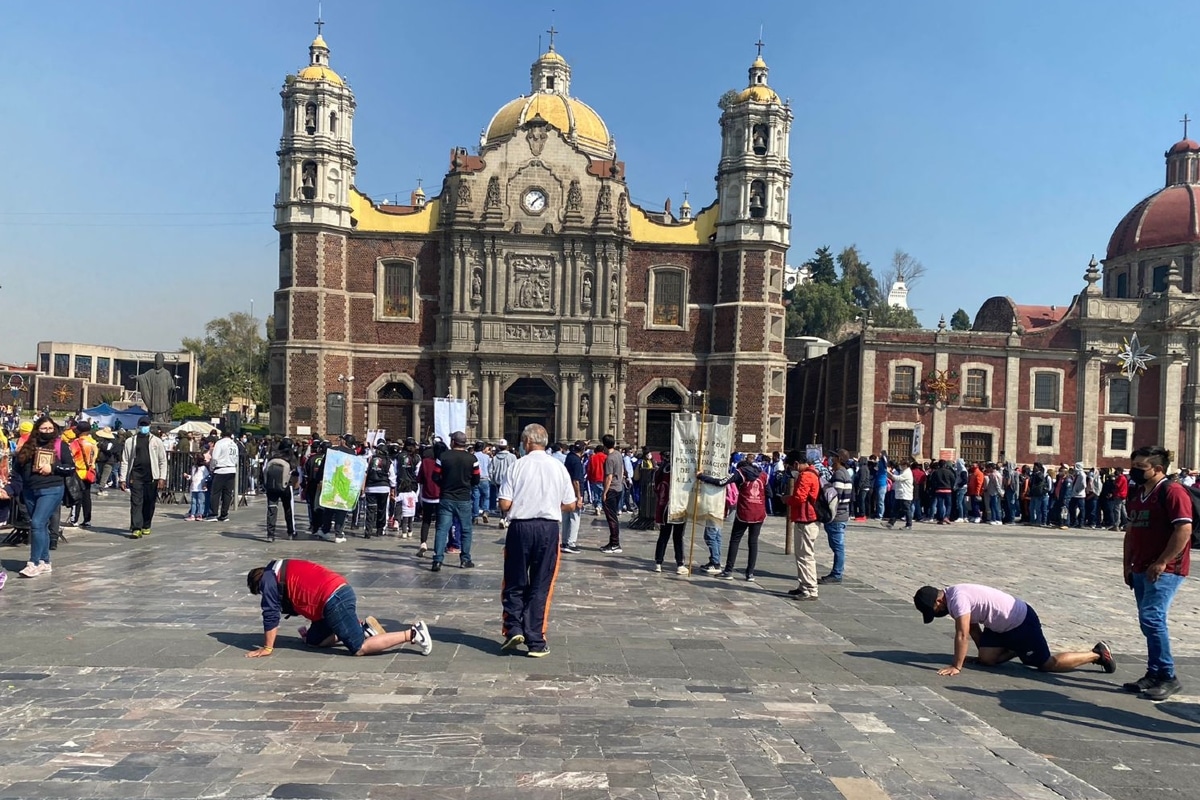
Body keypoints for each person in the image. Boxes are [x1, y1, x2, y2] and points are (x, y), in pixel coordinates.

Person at [913, 583, 1116, 677]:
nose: (939, 613)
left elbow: (962, 634)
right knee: (987, 659)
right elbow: (973, 629)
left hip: (1021, 622)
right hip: (999, 626)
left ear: (939, 600)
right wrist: (983, 650)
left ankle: (1096, 654)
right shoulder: (953, 596)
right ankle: (1016, 648)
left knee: (1046, 665)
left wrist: (957, 666)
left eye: (936, 610)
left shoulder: (957, 599)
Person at [245, 559, 432, 658]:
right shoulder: (279, 569)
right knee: (313, 641)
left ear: (257, 583)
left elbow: (270, 614)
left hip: (333, 600)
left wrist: (268, 647)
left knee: (359, 648)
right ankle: (361, 628)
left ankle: (413, 634)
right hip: (337, 592)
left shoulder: (268, 581)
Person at [498, 424, 577, 658]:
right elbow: (571, 504)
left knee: (514, 580)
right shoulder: (558, 467)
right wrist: (551, 505)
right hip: (548, 529)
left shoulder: (517, 466)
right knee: (542, 584)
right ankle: (535, 640)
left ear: (527, 442)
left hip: (520, 528)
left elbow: (504, 504)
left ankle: (513, 627)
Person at [1122, 445, 1192, 700]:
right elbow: (1130, 531)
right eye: (1135, 466)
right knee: (1146, 621)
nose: (1135, 471)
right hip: (1140, 567)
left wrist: (1163, 561)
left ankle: (1168, 676)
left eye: (1141, 467)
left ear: (1158, 469)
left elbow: (1183, 530)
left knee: (1152, 618)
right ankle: (1153, 672)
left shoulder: (1172, 492)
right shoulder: (1137, 492)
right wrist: (1127, 564)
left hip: (1165, 569)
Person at [13, 416, 76, 577]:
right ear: (37, 430)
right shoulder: (28, 446)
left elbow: (70, 468)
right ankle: (45, 561)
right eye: (43, 429)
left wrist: (53, 467)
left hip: (51, 489)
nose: (47, 431)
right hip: (30, 490)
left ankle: (33, 562)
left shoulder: (60, 445)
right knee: (41, 526)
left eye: (50, 429)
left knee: (37, 523)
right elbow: (17, 468)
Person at [698, 456, 769, 581]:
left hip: (745, 511)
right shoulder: (763, 475)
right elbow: (770, 493)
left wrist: (702, 477)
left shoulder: (740, 473)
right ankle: (750, 574)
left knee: (735, 540)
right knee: (753, 543)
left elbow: (721, 482)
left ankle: (728, 571)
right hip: (759, 513)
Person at [431, 431, 480, 571]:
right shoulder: (472, 459)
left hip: (446, 497)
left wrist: (444, 485)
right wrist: (466, 485)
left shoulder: (443, 456)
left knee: (441, 529)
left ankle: (437, 560)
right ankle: (465, 559)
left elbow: (435, 476)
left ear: (453, 442)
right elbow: (476, 479)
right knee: (466, 530)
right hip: (464, 498)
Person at [119, 415, 168, 539]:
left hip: (152, 476)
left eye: (146, 425)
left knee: (149, 502)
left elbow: (163, 461)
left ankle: (146, 524)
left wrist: (162, 477)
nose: (144, 427)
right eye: (142, 425)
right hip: (136, 475)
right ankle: (136, 527)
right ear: (138, 426)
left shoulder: (156, 441)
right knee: (136, 502)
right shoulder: (130, 441)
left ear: (149, 426)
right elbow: (125, 460)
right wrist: (122, 478)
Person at [785, 451, 821, 601]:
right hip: (805, 518)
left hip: (806, 519)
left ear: (796, 464)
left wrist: (787, 499)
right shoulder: (813, 473)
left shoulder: (806, 476)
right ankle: (803, 586)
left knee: (805, 556)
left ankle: (810, 589)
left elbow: (800, 497)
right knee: (801, 555)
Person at [820, 449, 853, 584]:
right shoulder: (844, 473)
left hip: (837, 515)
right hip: (843, 513)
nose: (831, 459)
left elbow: (834, 496)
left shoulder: (839, 474)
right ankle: (836, 572)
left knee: (838, 546)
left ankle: (837, 573)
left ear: (839, 459)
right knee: (837, 545)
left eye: (833, 457)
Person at [262, 438, 301, 542]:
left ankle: (270, 534)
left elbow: (264, 469)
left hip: (271, 486)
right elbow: (295, 472)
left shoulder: (273, 455)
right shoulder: (291, 456)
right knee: (288, 509)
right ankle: (290, 532)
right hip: (285, 486)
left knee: (272, 509)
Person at [598, 434, 626, 554]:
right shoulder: (618, 455)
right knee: (613, 516)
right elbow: (622, 470)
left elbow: (608, 477)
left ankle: (615, 543)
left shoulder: (609, 459)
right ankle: (613, 542)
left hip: (612, 490)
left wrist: (604, 492)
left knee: (611, 518)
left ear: (604, 445)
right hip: (619, 487)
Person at [415, 441, 444, 555]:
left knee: (426, 520)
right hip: (440, 495)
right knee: (440, 522)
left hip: (427, 495)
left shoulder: (425, 462)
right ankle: (438, 546)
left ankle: (423, 542)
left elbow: (420, 478)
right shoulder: (443, 462)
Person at [560, 440, 586, 554]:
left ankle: (565, 541)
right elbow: (576, 481)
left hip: (566, 491)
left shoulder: (569, 457)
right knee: (575, 517)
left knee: (566, 517)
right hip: (574, 492)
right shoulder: (577, 461)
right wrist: (579, 497)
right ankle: (571, 543)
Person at [209, 427, 239, 522]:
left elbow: (214, 458)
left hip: (221, 470)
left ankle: (213, 513)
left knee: (216, 493)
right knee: (227, 493)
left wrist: (212, 468)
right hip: (231, 469)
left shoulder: (220, 443)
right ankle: (224, 514)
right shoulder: (234, 445)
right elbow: (236, 459)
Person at [489, 439, 517, 527]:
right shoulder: (512, 457)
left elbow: (490, 471)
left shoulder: (494, 458)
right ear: (507, 447)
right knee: (510, 499)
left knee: (501, 499)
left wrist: (493, 480)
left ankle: (502, 516)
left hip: (498, 481)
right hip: (510, 480)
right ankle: (506, 518)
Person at [887, 457, 914, 529]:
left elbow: (897, 478)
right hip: (899, 494)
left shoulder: (907, 472)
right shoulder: (903, 471)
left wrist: (888, 473)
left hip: (905, 494)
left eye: (902, 465)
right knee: (895, 509)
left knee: (906, 510)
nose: (900, 466)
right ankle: (890, 523)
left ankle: (909, 525)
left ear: (906, 465)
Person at [184, 452, 209, 521]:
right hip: (194, 487)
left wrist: (205, 483)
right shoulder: (194, 467)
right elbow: (193, 477)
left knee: (200, 502)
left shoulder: (204, 468)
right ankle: (192, 514)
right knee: (193, 501)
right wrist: (188, 476)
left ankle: (200, 514)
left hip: (201, 487)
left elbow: (207, 476)